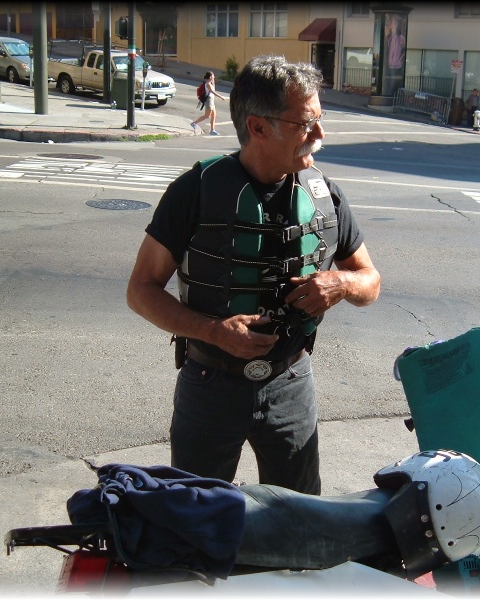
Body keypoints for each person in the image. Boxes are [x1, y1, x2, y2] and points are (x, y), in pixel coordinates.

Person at [127, 55, 381, 495]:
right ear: (259, 127)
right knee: (196, 518)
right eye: (306, 124)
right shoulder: (197, 190)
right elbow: (141, 290)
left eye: (319, 120)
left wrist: (340, 284)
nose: (320, 136)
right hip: (209, 385)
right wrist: (213, 331)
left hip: (291, 383)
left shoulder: (326, 194)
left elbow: (370, 280)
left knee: (299, 523)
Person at [191, 71, 227, 136]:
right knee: (207, 116)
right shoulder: (208, 84)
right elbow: (213, 92)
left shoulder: (212, 83)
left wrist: (213, 81)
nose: (214, 77)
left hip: (211, 100)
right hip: (209, 101)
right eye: (213, 76)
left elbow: (213, 90)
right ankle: (194, 123)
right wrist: (221, 97)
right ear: (210, 77)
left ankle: (212, 130)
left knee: (214, 115)